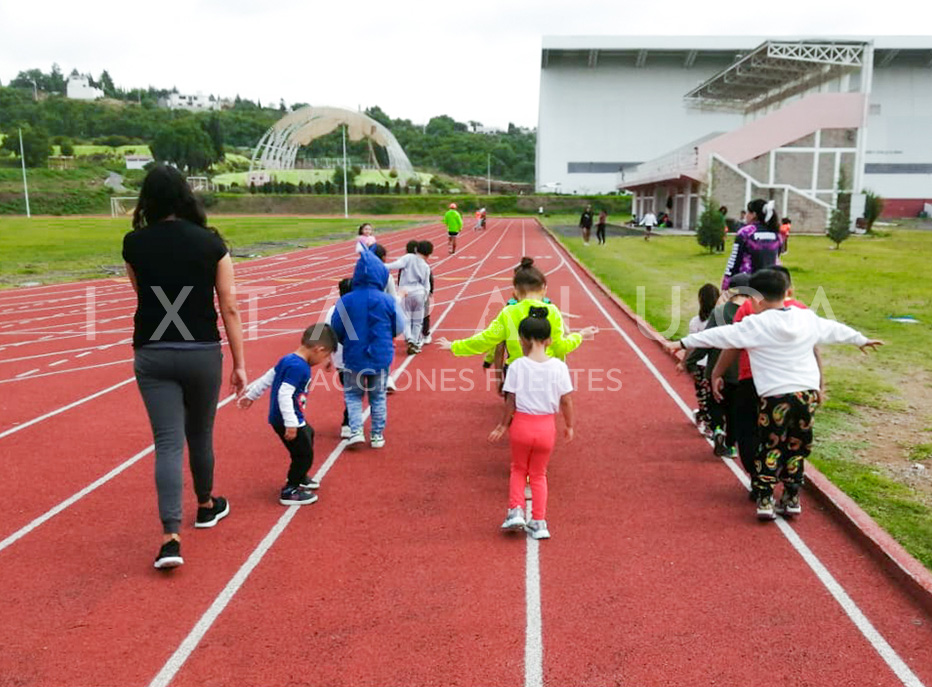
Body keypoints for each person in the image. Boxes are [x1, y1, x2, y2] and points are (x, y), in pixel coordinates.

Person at [674, 269, 883, 520]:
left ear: (755, 300)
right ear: (788, 293)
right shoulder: (807, 318)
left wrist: (685, 342)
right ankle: (792, 496)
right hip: (806, 395)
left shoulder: (754, 324)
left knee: (770, 446)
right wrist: (860, 339)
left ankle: (765, 499)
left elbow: (721, 336)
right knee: (797, 445)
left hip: (775, 397)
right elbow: (834, 330)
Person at [122, 164, 246, 570]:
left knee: (168, 443)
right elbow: (228, 305)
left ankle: (170, 538)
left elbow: (142, 294)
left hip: (153, 352)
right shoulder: (211, 244)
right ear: (185, 196)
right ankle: (207, 505)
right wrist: (240, 363)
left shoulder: (134, 244)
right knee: (200, 433)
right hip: (201, 350)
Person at [709, 266, 813, 492]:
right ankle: (789, 489)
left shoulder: (747, 308)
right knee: (791, 436)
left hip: (753, 380)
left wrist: (717, 373)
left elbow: (735, 344)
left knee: (749, 431)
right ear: (789, 289)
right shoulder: (802, 311)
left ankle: (760, 481)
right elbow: (813, 349)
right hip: (794, 383)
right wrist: (819, 383)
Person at [489, 306, 575, 540]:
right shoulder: (559, 367)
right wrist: (569, 425)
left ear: (522, 340)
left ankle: (515, 510)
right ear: (549, 340)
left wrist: (503, 425)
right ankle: (539, 521)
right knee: (538, 474)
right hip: (547, 428)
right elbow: (566, 400)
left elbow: (511, 400)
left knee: (518, 469)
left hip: (522, 426)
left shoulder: (516, 366)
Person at [437, 257, 597, 372]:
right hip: (547, 369)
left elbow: (486, 339)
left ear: (514, 292)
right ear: (544, 289)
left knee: (515, 408)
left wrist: (454, 346)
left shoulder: (509, 312)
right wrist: (581, 335)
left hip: (516, 370)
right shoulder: (552, 311)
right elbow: (561, 347)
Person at [236, 324, 336, 505]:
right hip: (287, 419)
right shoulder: (300, 367)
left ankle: (300, 475)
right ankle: (290, 489)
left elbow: (269, 377)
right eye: (325, 355)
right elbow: (284, 393)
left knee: (309, 435)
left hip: (289, 417)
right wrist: (291, 423)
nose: (324, 360)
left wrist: (252, 395)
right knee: (304, 454)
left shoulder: (288, 359)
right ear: (318, 349)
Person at [330, 249, 405, 449]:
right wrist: (386, 337)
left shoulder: (346, 300)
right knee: (378, 395)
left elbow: (336, 328)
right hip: (380, 355)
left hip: (354, 355)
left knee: (353, 394)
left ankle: (355, 431)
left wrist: (348, 342)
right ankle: (377, 434)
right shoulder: (388, 300)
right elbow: (399, 326)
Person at [683, 273, 751, 458]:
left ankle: (718, 429)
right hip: (741, 370)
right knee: (734, 411)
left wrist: (691, 361)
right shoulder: (753, 314)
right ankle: (730, 445)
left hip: (716, 369)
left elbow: (707, 339)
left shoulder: (719, 312)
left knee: (716, 403)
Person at [680, 283, 720, 437]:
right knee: (712, 396)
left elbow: (690, 345)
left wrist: (683, 362)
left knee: (704, 395)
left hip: (700, 365)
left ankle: (704, 417)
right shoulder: (721, 320)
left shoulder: (696, 322)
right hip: (713, 365)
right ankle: (709, 422)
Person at [721, 199, 783, 289]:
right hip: (771, 284)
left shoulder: (746, 233)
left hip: (748, 284)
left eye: (747, 213)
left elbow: (734, 260)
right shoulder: (776, 234)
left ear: (754, 214)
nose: (746, 216)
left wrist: (726, 284)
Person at [384, 240, 434, 354]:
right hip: (419, 293)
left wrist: (379, 265)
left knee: (406, 318)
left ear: (416, 249)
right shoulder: (426, 266)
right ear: (429, 254)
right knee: (417, 321)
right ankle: (415, 342)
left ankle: (409, 339)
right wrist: (425, 295)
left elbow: (394, 265)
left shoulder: (408, 258)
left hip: (405, 291)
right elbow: (427, 284)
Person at [325, 278, 354, 438]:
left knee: (352, 389)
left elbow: (322, 335)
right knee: (354, 391)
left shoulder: (331, 310)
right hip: (350, 358)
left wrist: (327, 357)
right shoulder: (358, 310)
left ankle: (349, 421)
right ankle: (348, 422)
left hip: (340, 359)